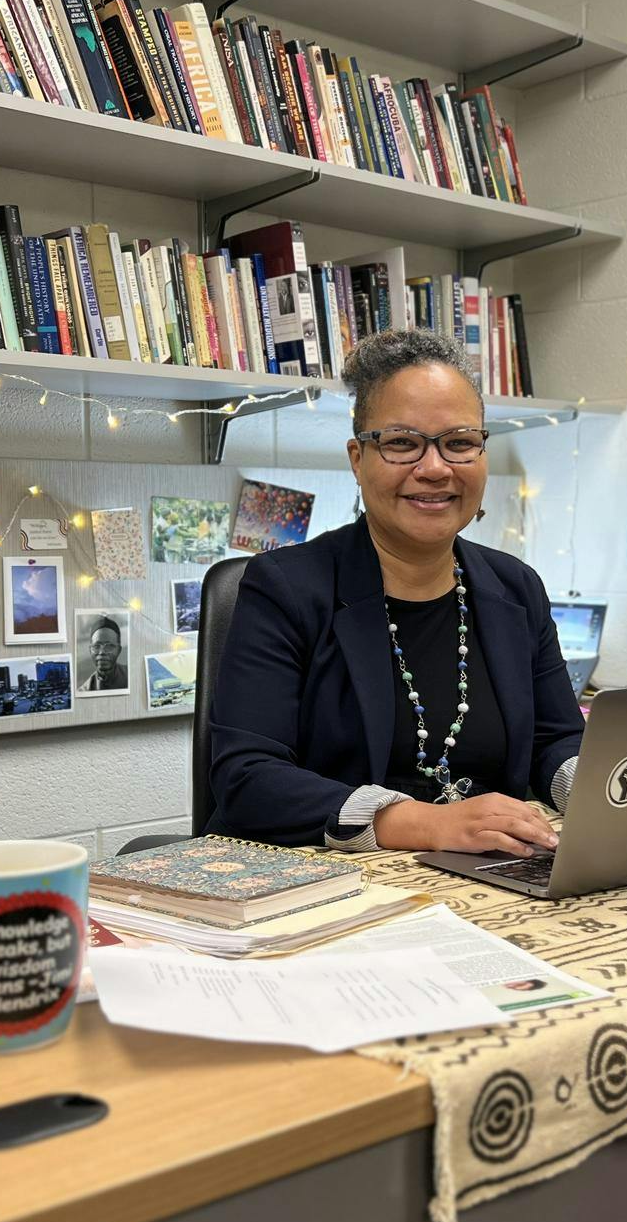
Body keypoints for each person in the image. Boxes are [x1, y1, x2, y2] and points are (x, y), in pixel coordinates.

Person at [208, 329, 583, 853]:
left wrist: (602, 790)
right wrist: (426, 824)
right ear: (358, 458)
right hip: (332, 886)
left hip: (492, 878)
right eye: (403, 443)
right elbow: (248, 777)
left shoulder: (516, 587)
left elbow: (556, 739)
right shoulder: (285, 588)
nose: (434, 468)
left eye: (459, 443)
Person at [80, 617, 128, 691]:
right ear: (90, 650)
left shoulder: (131, 676)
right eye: (96, 646)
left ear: (118, 650)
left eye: (109, 646)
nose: (102, 652)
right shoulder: (85, 690)